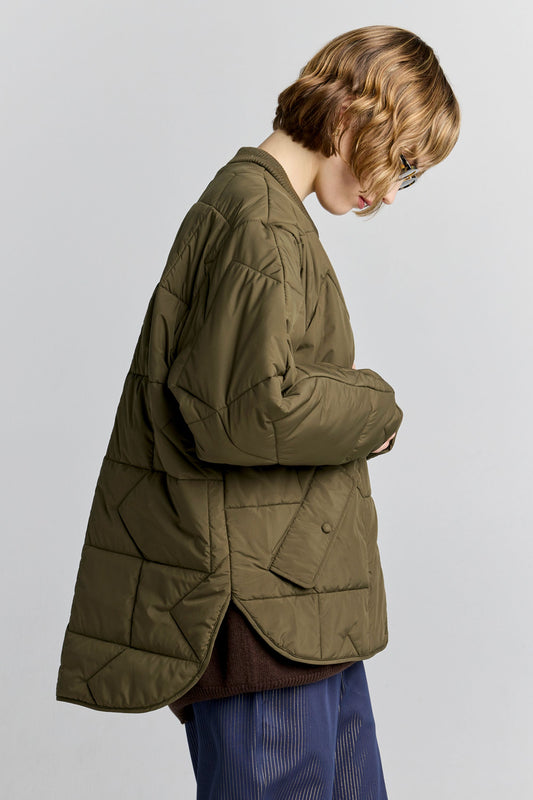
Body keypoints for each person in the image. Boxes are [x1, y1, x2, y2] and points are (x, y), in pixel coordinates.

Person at [55, 24, 460, 800]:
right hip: (260, 618)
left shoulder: (267, 212)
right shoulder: (258, 220)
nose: (388, 193)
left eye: (408, 178)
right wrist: (375, 406)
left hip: (296, 611)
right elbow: (248, 411)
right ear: (350, 115)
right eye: (401, 162)